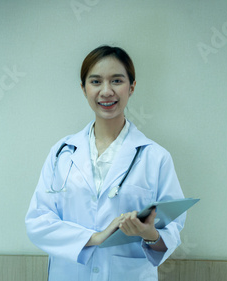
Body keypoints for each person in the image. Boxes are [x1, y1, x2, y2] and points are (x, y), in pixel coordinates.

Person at [25, 45, 186, 281]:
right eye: (96, 81)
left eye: (117, 81)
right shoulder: (62, 153)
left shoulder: (155, 157)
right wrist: (96, 237)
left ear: (131, 87)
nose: (106, 91)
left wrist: (150, 234)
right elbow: (38, 222)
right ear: (83, 88)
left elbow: (172, 229)